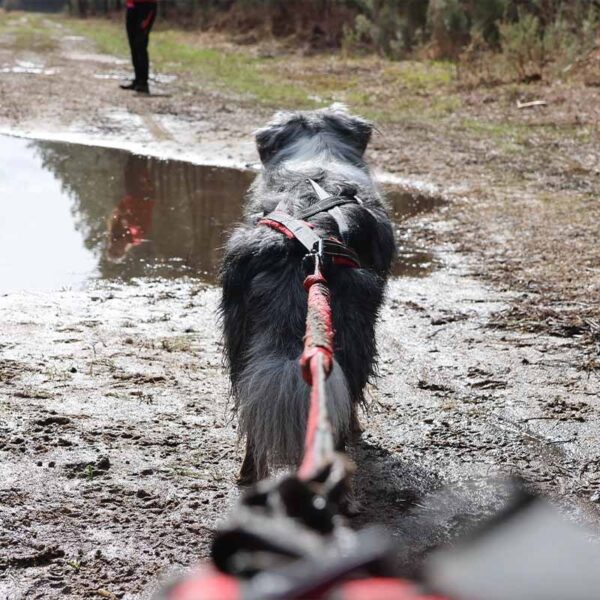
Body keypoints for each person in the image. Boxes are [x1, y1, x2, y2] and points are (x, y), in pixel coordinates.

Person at [120, 0, 157, 95]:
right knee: (133, 44)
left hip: (147, 6)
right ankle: (137, 80)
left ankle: (143, 82)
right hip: (132, 5)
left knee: (140, 43)